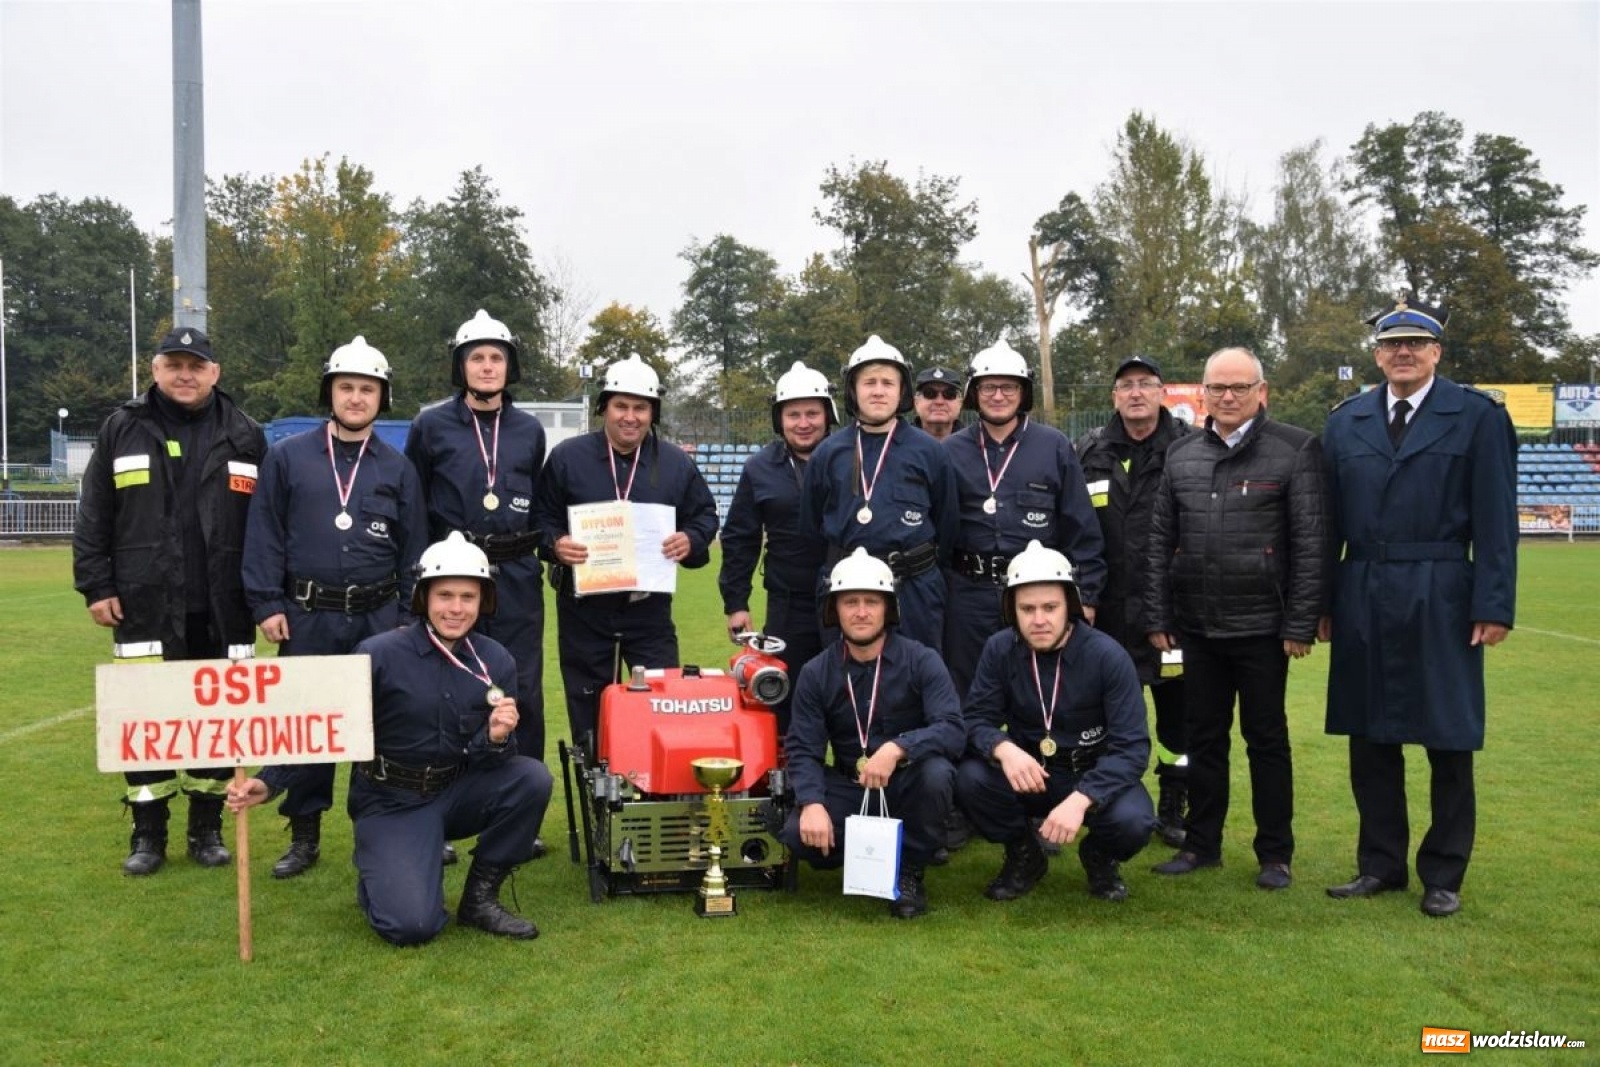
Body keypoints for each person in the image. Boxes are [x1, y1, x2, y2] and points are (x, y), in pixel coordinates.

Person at [227, 533, 553, 945]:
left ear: (483, 601)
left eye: (468, 597)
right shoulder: (378, 653)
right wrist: (270, 781)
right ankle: (382, 866)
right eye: (445, 595)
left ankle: (479, 899)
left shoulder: (497, 661)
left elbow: (494, 762)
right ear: (423, 598)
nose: (456, 608)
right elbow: (328, 728)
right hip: (392, 801)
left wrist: (495, 737)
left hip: (456, 790)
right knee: (412, 927)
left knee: (531, 778)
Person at [1319, 293, 1517, 918]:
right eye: (1391, 344)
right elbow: (1326, 524)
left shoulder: (1478, 417)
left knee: (1448, 738)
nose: (1402, 353)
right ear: (1377, 355)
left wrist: (1494, 603)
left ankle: (1443, 873)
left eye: (1415, 344)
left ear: (1436, 352)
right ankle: (1379, 865)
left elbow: (1496, 520)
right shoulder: (1345, 421)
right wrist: (1322, 601)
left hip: (1442, 592)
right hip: (1364, 589)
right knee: (1368, 736)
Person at [73, 326, 267, 875]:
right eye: (173, 364)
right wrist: (97, 584)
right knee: (145, 723)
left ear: (215, 373)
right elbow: (94, 515)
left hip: (225, 605)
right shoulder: (122, 428)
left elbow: (267, 524)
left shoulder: (246, 434)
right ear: (154, 369)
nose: (185, 374)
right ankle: (148, 833)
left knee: (218, 724)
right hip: (143, 601)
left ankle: (207, 828)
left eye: (196, 365)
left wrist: (264, 593)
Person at [242, 337, 427, 878]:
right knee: (308, 725)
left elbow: (414, 549)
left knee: (389, 723)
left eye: (366, 389)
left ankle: (394, 826)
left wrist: (407, 616)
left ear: (381, 397)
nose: (355, 397)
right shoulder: (287, 458)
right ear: (330, 392)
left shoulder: (397, 468)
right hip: (307, 615)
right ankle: (304, 834)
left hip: (379, 618)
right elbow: (264, 535)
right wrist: (265, 602)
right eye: (346, 387)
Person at [1144, 347, 1327, 891]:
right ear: (1202, 393)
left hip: (1263, 628)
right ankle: (1202, 845)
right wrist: (1158, 613)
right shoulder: (1181, 456)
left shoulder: (1295, 449)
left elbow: (1311, 543)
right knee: (1203, 740)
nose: (1227, 397)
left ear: (1261, 392)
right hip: (1197, 627)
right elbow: (1159, 542)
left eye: (1239, 388)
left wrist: (1299, 623)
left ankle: (1275, 854)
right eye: (1218, 388)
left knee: (1266, 740)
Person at [406, 309, 550, 858]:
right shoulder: (431, 426)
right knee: (440, 693)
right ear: (460, 367)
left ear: (509, 367)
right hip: (451, 575)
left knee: (521, 693)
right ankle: (434, 814)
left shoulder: (529, 430)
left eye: (496, 358)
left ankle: (518, 819)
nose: (487, 367)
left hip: (514, 576)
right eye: (477, 358)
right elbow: (416, 504)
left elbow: (539, 501)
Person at [534, 353, 719, 747]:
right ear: (605, 407)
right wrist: (555, 544)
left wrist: (691, 539)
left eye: (640, 408)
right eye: (621, 406)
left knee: (659, 706)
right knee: (588, 712)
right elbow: (541, 518)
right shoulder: (569, 457)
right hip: (584, 609)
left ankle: (651, 799)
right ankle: (596, 800)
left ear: (653, 413)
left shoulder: (674, 463)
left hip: (648, 611)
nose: (630, 417)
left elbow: (705, 516)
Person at [956, 541, 1154, 902]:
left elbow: (1132, 748)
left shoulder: (1109, 657)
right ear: (1011, 609)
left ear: (1071, 606)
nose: (1039, 619)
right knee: (968, 778)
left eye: (1050, 607)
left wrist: (1083, 799)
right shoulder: (1000, 649)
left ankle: (1100, 855)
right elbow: (973, 720)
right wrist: (1004, 750)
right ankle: (1024, 855)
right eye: (1027, 608)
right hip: (1029, 772)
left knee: (1134, 821)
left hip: (1091, 774)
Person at [778, 548, 964, 919]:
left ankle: (909, 870)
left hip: (908, 784)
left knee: (937, 774)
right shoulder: (817, 672)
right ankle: (866, 859)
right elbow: (803, 747)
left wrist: (898, 748)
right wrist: (812, 803)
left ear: (888, 608)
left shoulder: (922, 660)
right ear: (835, 610)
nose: (861, 612)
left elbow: (953, 730)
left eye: (871, 602)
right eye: (850, 602)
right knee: (798, 832)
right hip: (851, 783)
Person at [942, 338, 1104, 699]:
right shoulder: (948, 452)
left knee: (1039, 692)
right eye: (988, 387)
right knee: (966, 695)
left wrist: (1087, 597)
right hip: (967, 597)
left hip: (1036, 595)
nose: (998, 395)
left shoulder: (1055, 446)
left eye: (1009, 387)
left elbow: (1082, 530)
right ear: (973, 392)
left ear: (1023, 391)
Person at [1076, 355, 1192, 848]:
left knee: (1178, 715)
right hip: (1105, 616)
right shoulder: (1089, 452)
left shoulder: (1189, 450)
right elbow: (1076, 532)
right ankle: (1106, 798)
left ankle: (1174, 801)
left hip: (1170, 615)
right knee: (1100, 714)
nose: (1136, 393)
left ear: (1162, 392)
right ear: (1115, 396)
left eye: (1146, 384)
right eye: (1126, 385)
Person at [800, 335, 957, 651]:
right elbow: (811, 530)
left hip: (914, 587)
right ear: (853, 391)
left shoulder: (930, 451)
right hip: (846, 588)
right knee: (847, 686)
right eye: (869, 382)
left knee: (916, 683)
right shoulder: (827, 453)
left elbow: (948, 526)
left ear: (901, 391)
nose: (878, 390)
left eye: (888, 382)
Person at [718, 361, 835, 733]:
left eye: (812, 413)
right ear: (779, 418)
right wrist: (736, 602)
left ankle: (853, 781)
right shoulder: (759, 468)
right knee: (784, 700)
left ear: (827, 414)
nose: (804, 422)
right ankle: (790, 785)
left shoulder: (853, 457)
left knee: (848, 696)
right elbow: (740, 538)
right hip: (788, 604)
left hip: (846, 601)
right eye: (793, 414)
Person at [911, 365, 962, 441]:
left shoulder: (976, 444)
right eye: (929, 394)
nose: (939, 402)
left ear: (960, 403)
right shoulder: (894, 444)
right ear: (916, 402)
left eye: (949, 394)